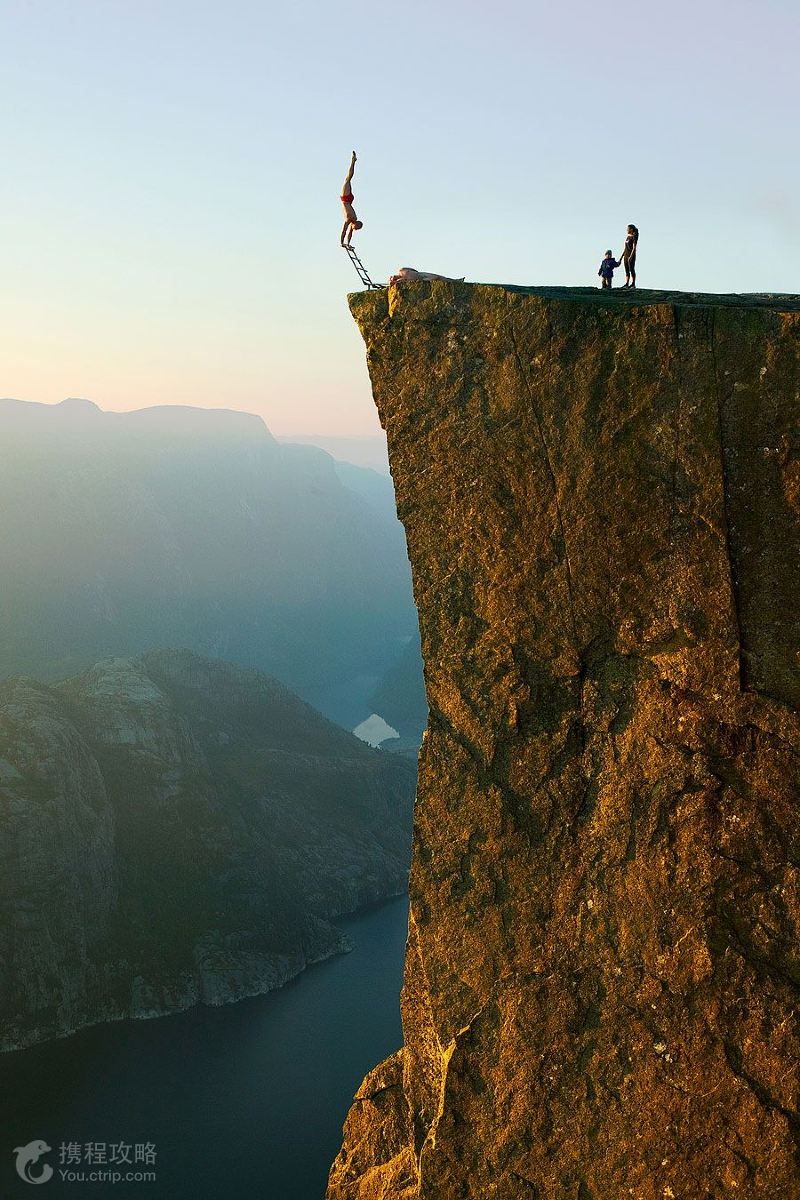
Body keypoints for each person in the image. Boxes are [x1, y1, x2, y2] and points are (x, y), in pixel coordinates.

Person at [340, 151, 363, 246]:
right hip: (346, 199)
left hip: (348, 200)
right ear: (356, 224)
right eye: (356, 228)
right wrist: (342, 242)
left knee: (348, 179)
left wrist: (348, 243)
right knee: (348, 179)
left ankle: (353, 161)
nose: (354, 229)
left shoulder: (353, 219)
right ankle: (353, 161)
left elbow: (349, 233)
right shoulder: (350, 219)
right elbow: (344, 230)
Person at [388, 267, 465, 285]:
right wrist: (393, 282)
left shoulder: (402, 270)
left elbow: (414, 270)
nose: (393, 277)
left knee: (439, 277)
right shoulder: (402, 280)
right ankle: (455, 282)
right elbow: (396, 283)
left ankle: (456, 281)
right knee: (437, 278)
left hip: (422, 274)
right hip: (423, 279)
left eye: (392, 276)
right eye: (392, 278)